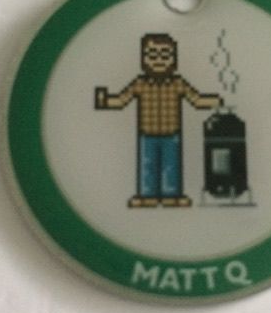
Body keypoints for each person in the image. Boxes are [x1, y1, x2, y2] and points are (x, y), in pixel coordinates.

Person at [95, 33, 222, 208]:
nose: (159, 60)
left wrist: (215, 100)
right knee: (148, 166)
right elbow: (121, 100)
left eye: (165, 55)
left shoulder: (178, 83)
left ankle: (172, 194)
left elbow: (197, 100)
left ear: (173, 59)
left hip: (172, 135)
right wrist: (104, 101)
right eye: (153, 55)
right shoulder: (140, 83)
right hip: (147, 135)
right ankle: (147, 195)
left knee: (171, 166)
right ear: (144, 59)